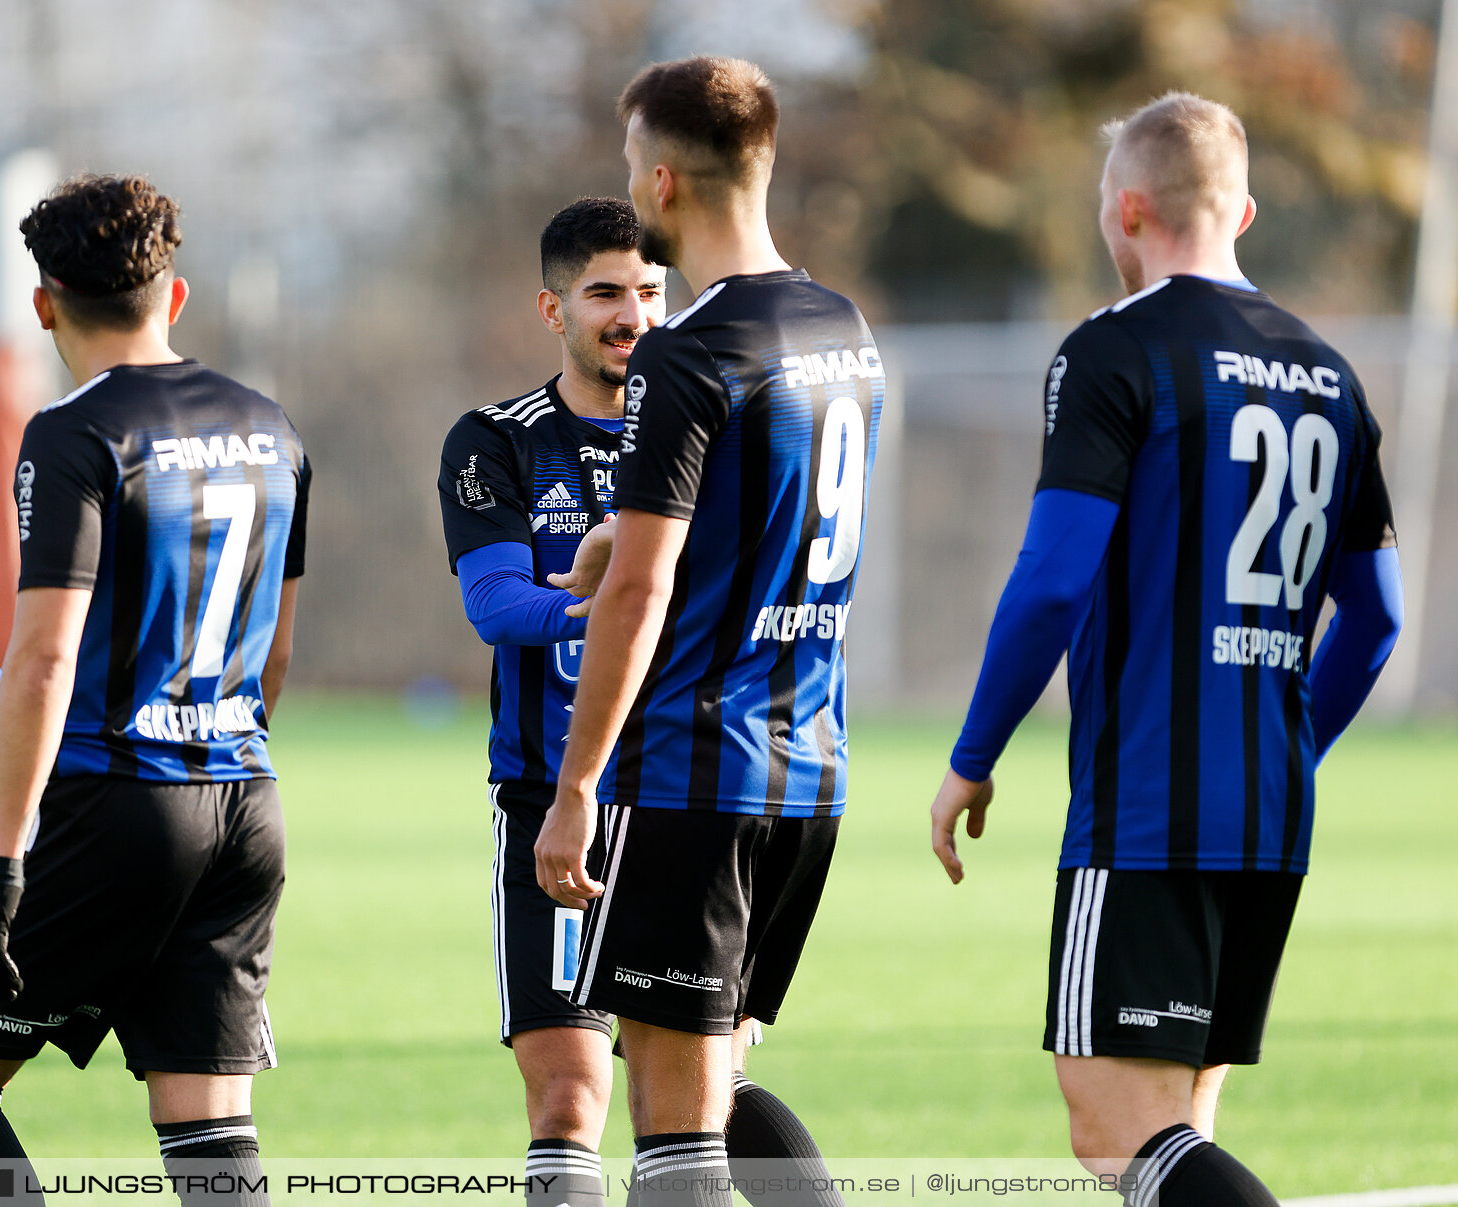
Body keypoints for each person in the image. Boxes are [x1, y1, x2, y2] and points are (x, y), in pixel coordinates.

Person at [929, 93, 1402, 1206]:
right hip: (1270, 808)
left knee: (1112, 1128)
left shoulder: (1111, 349)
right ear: (1242, 210)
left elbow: (1052, 581)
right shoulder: (1332, 372)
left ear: (1125, 207)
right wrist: (1292, 745)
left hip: (1147, 804)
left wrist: (972, 753)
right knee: (1182, 1121)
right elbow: (1375, 620)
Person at [0, 175, 308, 1207]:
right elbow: (277, 656)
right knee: (209, 1125)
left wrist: (2, 857)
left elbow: (40, 659)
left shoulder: (75, 431)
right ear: (174, 295)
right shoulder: (271, 426)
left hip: (114, 804)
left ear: (44, 304)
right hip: (246, 802)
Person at [440, 197, 842, 1207]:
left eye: (651, 291)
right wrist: (619, 604)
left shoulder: (716, 403)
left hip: (686, 789)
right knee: (570, 1093)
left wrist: (640, 594)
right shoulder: (497, 440)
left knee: (708, 1091)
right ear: (553, 307)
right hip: (552, 797)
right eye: (606, 293)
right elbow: (495, 606)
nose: (633, 313)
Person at [534, 59, 885, 1207]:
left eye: (634, 171)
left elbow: (639, 591)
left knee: (673, 1138)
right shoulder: (841, 326)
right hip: (809, 772)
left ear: (664, 179)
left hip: (694, 771)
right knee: (710, 1079)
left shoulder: (688, 351)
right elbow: (735, 524)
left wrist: (578, 780)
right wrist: (613, 546)